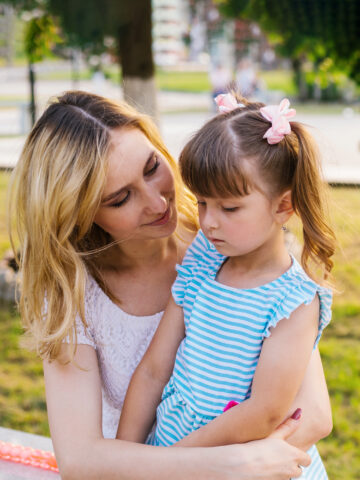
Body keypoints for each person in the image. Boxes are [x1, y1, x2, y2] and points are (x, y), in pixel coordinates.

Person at [8, 91, 332, 480]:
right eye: (121, 198)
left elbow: (311, 414)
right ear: (78, 214)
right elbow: (79, 459)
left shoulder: (223, 245)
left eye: (151, 168)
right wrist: (224, 463)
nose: (158, 203)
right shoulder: (73, 294)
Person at [117, 94, 336, 479]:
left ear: (283, 206)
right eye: (201, 203)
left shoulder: (294, 301)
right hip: (173, 450)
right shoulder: (203, 260)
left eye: (229, 208)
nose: (209, 223)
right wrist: (127, 460)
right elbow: (154, 369)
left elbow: (265, 412)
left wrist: (172, 464)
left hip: (235, 464)